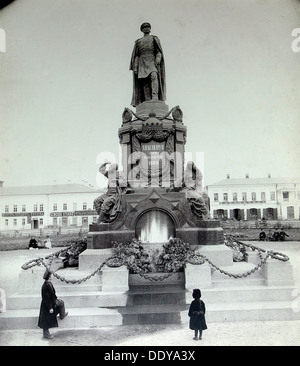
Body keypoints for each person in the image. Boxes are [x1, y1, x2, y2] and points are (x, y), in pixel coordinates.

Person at [130, 22, 166, 107]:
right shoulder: (138, 42)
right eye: (145, 27)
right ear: (142, 30)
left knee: (154, 76)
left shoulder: (154, 38)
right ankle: (147, 99)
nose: (147, 29)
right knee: (145, 81)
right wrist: (135, 67)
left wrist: (158, 58)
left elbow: (158, 51)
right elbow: (137, 55)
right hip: (142, 61)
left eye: (148, 27)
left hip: (152, 60)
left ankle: (155, 96)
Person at [38, 269, 68, 339]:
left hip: (52, 302)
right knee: (46, 320)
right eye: (50, 276)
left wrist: (56, 299)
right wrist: (50, 308)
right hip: (47, 305)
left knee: (61, 302)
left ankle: (62, 315)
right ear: (48, 277)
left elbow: (53, 294)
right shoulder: (45, 286)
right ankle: (46, 334)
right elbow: (46, 299)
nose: (51, 277)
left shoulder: (49, 283)